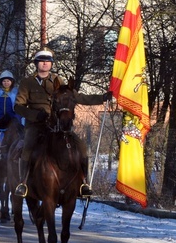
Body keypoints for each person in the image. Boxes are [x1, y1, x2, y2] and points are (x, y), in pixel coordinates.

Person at [13, 48, 112, 198]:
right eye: (42, 61)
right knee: (27, 148)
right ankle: (23, 183)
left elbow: (78, 97)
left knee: (81, 147)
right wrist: (34, 115)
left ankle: (83, 183)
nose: (45, 64)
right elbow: (18, 106)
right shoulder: (27, 82)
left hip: (57, 125)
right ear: (36, 63)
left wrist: (102, 98)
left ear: (51, 64)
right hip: (36, 125)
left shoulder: (58, 82)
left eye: (48, 61)